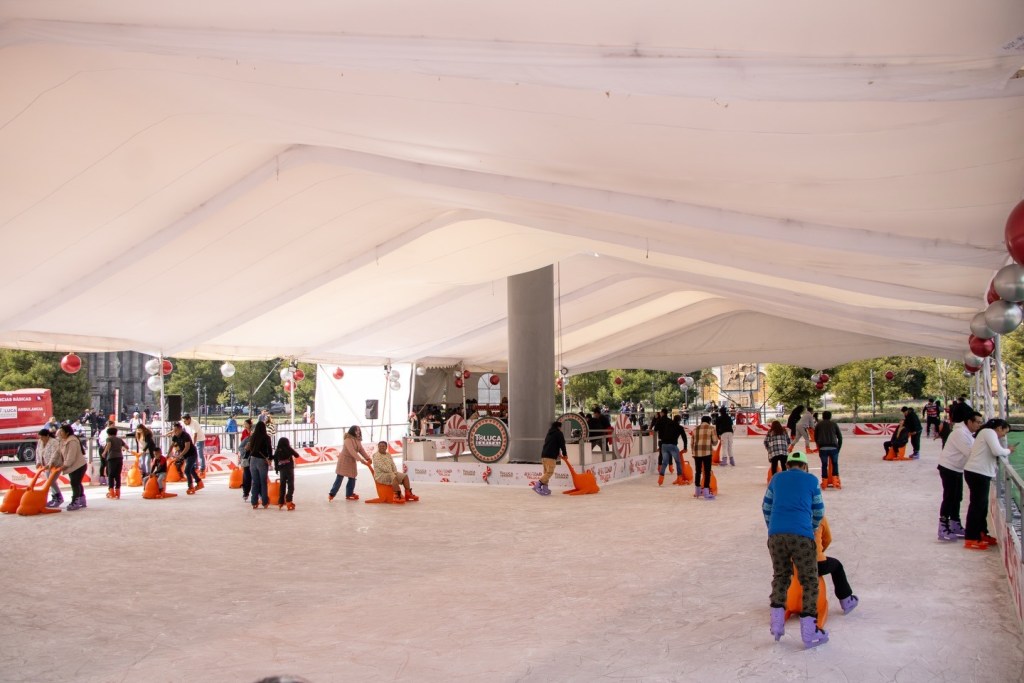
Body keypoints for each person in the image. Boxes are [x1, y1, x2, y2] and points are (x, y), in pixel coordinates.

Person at [761, 451, 828, 648]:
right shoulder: (811, 480)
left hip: (776, 535)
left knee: (781, 576)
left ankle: (777, 624)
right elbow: (819, 511)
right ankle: (809, 631)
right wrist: (811, 527)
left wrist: (773, 527)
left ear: (788, 465)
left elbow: (766, 507)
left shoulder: (776, 478)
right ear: (804, 466)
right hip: (802, 536)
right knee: (809, 581)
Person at [962, 418, 1015, 550]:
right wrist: (1008, 450)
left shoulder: (985, 433)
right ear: (999, 428)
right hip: (978, 473)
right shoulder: (989, 432)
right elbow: (997, 451)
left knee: (982, 506)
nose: (1003, 436)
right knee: (977, 506)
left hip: (980, 473)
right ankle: (971, 537)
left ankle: (981, 532)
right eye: (1004, 432)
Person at [936, 409, 982, 541]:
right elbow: (970, 453)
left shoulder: (968, 433)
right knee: (949, 497)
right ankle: (943, 527)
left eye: (981, 422)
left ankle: (955, 524)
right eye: (978, 422)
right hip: (948, 467)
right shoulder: (960, 433)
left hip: (957, 469)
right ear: (969, 422)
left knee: (957, 497)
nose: (979, 425)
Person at [815, 517, 859, 615]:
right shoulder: (820, 517)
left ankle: (782, 605)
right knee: (837, 566)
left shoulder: (792, 515)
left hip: (793, 563)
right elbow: (827, 539)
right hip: (817, 563)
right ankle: (846, 600)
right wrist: (820, 553)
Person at [329, 425, 371, 501]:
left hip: (352, 460)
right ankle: (332, 493)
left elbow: (361, 450)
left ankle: (349, 493)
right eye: (356, 430)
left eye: (359, 430)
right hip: (344, 460)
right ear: (352, 431)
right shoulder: (347, 439)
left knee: (352, 477)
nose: (358, 431)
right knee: (340, 477)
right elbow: (352, 451)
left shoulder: (358, 440)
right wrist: (361, 460)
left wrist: (367, 458)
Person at [58, 424, 88, 511]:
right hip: (74, 466)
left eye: (61, 432)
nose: (60, 433)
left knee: (74, 483)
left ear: (67, 433)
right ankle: (82, 500)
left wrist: (65, 465)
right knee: (77, 483)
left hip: (78, 465)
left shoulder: (72, 441)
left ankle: (75, 501)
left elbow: (71, 455)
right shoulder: (64, 441)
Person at [535, 421, 567, 495]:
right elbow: (562, 444)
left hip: (544, 455)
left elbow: (551, 444)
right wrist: (565, 454)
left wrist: (557, 452)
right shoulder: (559, 433)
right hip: (550, 456)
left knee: (546, 473)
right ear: (559, 427)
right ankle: (537, 485)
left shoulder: (549, 433)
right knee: (549, 472)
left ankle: (545, 489)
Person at [170, 422, 203, 495]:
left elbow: (187, 447)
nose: (175, 432)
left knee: (187, 470)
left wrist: (180, 455)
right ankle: (199, 482)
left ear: (180, 429)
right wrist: (168, 454)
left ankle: (190, 486)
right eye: (174, 430)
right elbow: (171, 445)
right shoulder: (175, 436)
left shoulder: (185, 435)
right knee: (191, 470)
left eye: (176, 430)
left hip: (192, 454)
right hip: (186, 455)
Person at [691, 415, 719, 499]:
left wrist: (693, 452)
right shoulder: (711, 428)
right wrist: (711, 442)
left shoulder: (695, 429)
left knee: (698, 471)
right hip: (707, 452)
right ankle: (706, 492)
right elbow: (715, 441)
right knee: (707, 472)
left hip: (696, 453)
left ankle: (697, 491)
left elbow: (692, 443)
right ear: (709, 421)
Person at [247, 420, 273, 509]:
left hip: (252, 460)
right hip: (262, 460)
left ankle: (254, 502)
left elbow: (250, 448)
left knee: (255, 482)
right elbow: (269, 449)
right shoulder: (266, 437)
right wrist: (270, 458)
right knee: (263, 482)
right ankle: (265, 502)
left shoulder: (252, 436)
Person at [37, 428, 64, 509]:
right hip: (46, 465)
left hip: (55, 465)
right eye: (40, 437)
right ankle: (54, 497)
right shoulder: (40, 442)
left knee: (51, 481)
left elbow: (55, 453)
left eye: (42, 437)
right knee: (50, 482)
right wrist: (38, 462)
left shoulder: (54, 442)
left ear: (47, 436)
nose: (41, 438)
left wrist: (50, 463)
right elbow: (38, 452)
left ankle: (59, 498)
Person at [814, 411, 842, 485]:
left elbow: (815, 437)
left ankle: (824, 481)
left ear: (822, 416)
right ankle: (835, 480)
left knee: (824, 464)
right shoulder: (834, 424)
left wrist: (819, 446)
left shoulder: (819, 424)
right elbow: (840, 437)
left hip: (823, 447)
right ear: (830, 416)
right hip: (833, 447)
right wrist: (838, 448)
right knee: (835, 463)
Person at [655, 411, 682, 486]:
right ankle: (677, 475)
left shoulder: (661, 421)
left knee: (663, 459)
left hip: (663, 442)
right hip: (672, 444)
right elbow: (684, 437)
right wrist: (685, 447)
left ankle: (660, 477)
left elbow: (655, 429)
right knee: (677, 461)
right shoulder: (672, 423)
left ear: (662, 413)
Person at [273, 437, 299, 510]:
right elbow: (297, 455)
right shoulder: (289, 449)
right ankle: (288, 500)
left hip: (282, 470)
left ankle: (281, 501)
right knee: (290, 485)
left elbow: (275, 460)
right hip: (289, 469)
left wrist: (276, 468)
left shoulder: (277, 450)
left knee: (282, 485)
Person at [100, 427, 127, 499]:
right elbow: (126, 446)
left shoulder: (109, 438)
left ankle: (111, 492)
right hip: (120, 457)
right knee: (117, 475)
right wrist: (122, 448)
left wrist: (104, 452)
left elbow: (108, 444)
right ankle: (118, 492)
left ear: (108, 433)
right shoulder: (119, 439)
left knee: (111, 475)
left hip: (112, 458)